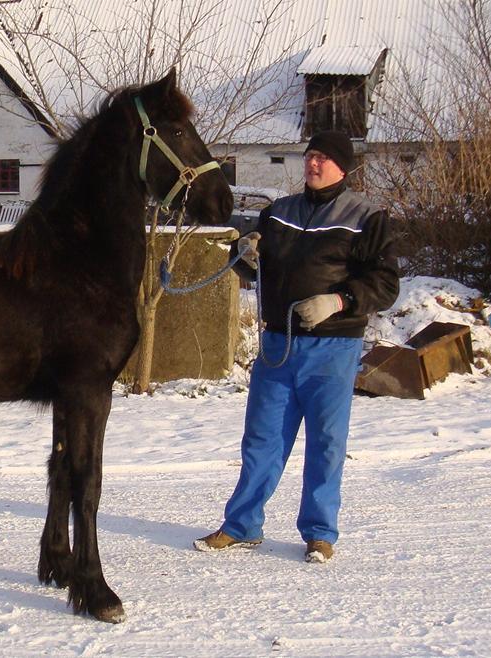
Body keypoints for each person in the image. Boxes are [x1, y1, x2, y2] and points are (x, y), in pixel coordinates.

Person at [195, 130, 400, 563]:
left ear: (344, 167)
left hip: (333, 348)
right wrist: (247, 258)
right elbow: (256, 272)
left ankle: (320, 533)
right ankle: (242, 525)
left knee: (326, 443)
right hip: (278, 344)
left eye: (324, 157)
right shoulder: (278, 213)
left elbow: (384, 284)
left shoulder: (366, 216)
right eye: (310, 155)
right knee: (261, 440)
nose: (314, 163)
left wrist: (338, 301)